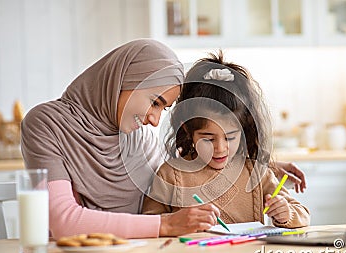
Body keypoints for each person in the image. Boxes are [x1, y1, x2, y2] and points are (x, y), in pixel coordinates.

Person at [21, 39, 306, 239]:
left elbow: (187, 170)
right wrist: (166, 224)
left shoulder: (137, 136)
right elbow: (63, 221)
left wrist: (255, 164)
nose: (155, 120)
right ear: (123, 80)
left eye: (164, 108)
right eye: (154, 102)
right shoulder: (45, 124)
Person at [142, 51, 310, 228]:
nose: (220, 148)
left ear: (243, 131)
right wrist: (174, 223)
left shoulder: (257, 173)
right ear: (187, 130)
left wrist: (286, 214)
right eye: (208, 139)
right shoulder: (170, 175)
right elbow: (150, 222)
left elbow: (303, 215)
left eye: (230, 137)